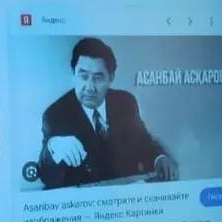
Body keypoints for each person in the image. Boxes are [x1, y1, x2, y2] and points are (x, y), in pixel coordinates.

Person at [38, 37, 177, 189]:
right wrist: (53, 148)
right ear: (73, 73)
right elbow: (46, 174)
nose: (89, 87)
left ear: (111, 78)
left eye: (98, 78)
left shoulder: (125, 102)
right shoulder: (55, 113)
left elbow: (144, 140)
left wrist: (159, 157)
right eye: (83, 76)